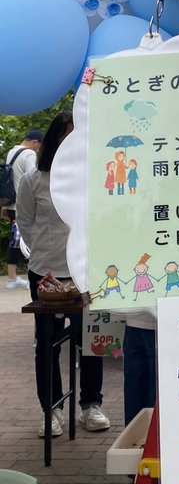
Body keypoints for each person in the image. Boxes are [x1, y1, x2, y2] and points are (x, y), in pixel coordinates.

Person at [17, 111, 111, 438]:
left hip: (88, 272)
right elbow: (25, 222)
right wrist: (44, 254)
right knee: (48, 344)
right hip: (46, 274)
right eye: (66, 136)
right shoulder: (34, 179)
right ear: (54, 139)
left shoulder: (94, 177)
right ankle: (52, 410)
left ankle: (91, 405)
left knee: (94, 342)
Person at [2, 129, 44, 289]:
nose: (38, 149)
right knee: (31, 240)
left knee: (15, 241)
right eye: (39, 146)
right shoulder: (29, 154)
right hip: (25, 206)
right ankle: (33, 278)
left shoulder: (12, 152)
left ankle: (12, 278)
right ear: (35, 142)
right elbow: (34, 178)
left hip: (11, 204)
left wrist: (5, 206)